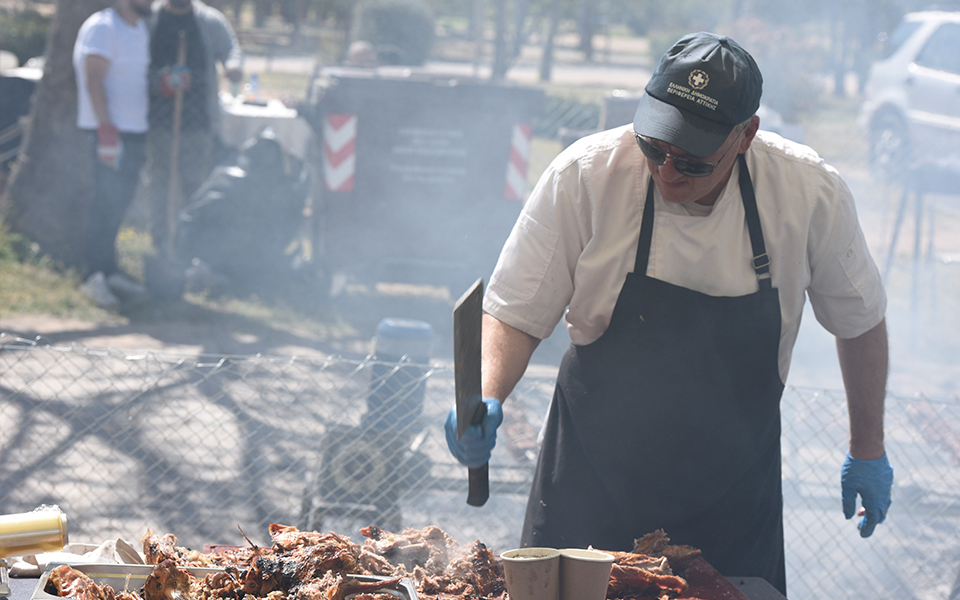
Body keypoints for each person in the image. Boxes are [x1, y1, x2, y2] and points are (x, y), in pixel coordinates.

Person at [444, 32, 893, 595]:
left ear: (745, 135)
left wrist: (867, 448)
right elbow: (516, 310)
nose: (667, 171)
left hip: (733, 497)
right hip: (588, 480)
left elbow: (859, 320)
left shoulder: (808, 193)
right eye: (654, 147)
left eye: (692, 161)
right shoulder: (586, 174)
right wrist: (487, 394)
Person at [145, 0, 242, 257]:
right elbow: (138, 63)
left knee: (194, 182)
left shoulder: (209, 20)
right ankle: (162, 241)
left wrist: (233, 66)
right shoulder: (151, 19)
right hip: (159, 120)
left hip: (198, 121)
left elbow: (231, 50)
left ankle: (190, 244)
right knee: (161, 183)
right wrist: (161, 81)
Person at [73, 0, 154, 306]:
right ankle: (92, 276)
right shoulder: (103, 27)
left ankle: (109, 270)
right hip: (109, 133)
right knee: (104, 204)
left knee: (119, 203)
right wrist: (106, 131)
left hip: (134, 131)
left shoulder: (139, 29)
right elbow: (93, 79)